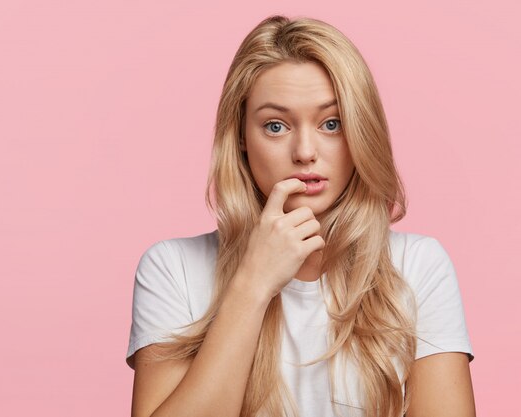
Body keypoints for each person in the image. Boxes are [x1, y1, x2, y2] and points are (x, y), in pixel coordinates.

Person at [126, 14, 475, 417]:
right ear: (240, 137)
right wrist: (253, 285)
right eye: (275, 126)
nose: (305, 151)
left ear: (361, 131)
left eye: (332, 123)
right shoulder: (173, 269)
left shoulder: (417, 268)